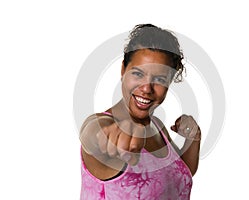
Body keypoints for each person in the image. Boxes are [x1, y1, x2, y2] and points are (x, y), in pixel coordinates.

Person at [79, 24, 201, 200]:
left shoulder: (157, 127)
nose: (146, 88)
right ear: (123, 70)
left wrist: (193, 138)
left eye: (159, 79)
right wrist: (105, 135)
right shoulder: (106, 127)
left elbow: (178, 176)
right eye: (138, 74)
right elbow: (92, 133)